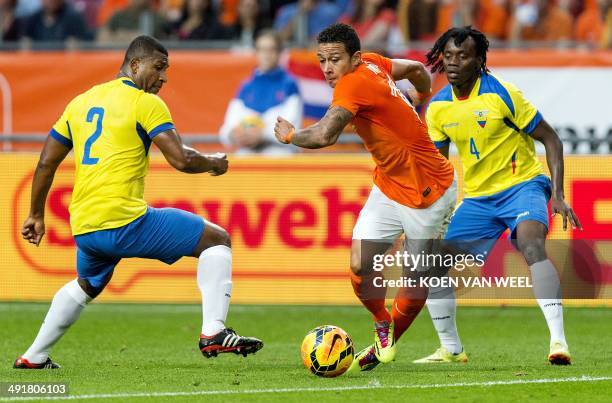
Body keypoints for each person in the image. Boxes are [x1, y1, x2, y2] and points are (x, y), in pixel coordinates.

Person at [13, 35, 263, 369]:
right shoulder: (144, 102)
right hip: (124, 221)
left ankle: (34, 356)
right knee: (216, 239)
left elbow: (46, 163)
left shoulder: (81, 102)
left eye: (167, 70)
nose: (164, 77)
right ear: (135, 65)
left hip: (86, 227)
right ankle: (213, 333)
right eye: (159, 67)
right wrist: (215, 162)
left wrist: (35, 214)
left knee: (88, 284)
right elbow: (182, 159)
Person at [274, 23, 457, 372]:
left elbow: (326, 135)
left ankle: (387, 344)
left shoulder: (353, 83)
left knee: (416, 275)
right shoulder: (372, 62)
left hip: (429, 193)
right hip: (389, 185)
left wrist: (292, 136)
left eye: (335, 60)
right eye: (322, 60)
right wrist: (422, 98)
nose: (327, 68)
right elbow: (419, 70)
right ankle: (382, 322)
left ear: (354, 58)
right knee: (360, 263)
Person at [411, 26, 579, 365]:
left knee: (532, 245)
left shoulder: (502, 92)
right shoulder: (439, 108)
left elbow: (552, 140)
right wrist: (430, 213)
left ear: (480, 60)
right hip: (477, 199)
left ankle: (558, 343)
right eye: (448, 56)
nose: (454, 62)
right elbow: (439, 167)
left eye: (463, 56)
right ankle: (451, 349)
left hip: (523, 186)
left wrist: (557, 194)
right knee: (430, 266)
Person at [221, 30, 302, 155]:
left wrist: (262, 135)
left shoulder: (290, 85)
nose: (266, 55)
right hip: (247, 156)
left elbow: (291, 130)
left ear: (280, 52)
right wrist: (234, 135)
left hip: (279, 156)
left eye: (271, 50)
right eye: (262, 50)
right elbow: (225, 131)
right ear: (256, 52)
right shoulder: (246, 86)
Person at [22, 0, 93, 42]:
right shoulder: (33, 19)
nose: (50, 1)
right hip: (38, 64)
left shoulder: (73, 18)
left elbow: (81, 45)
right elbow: (25, 44)